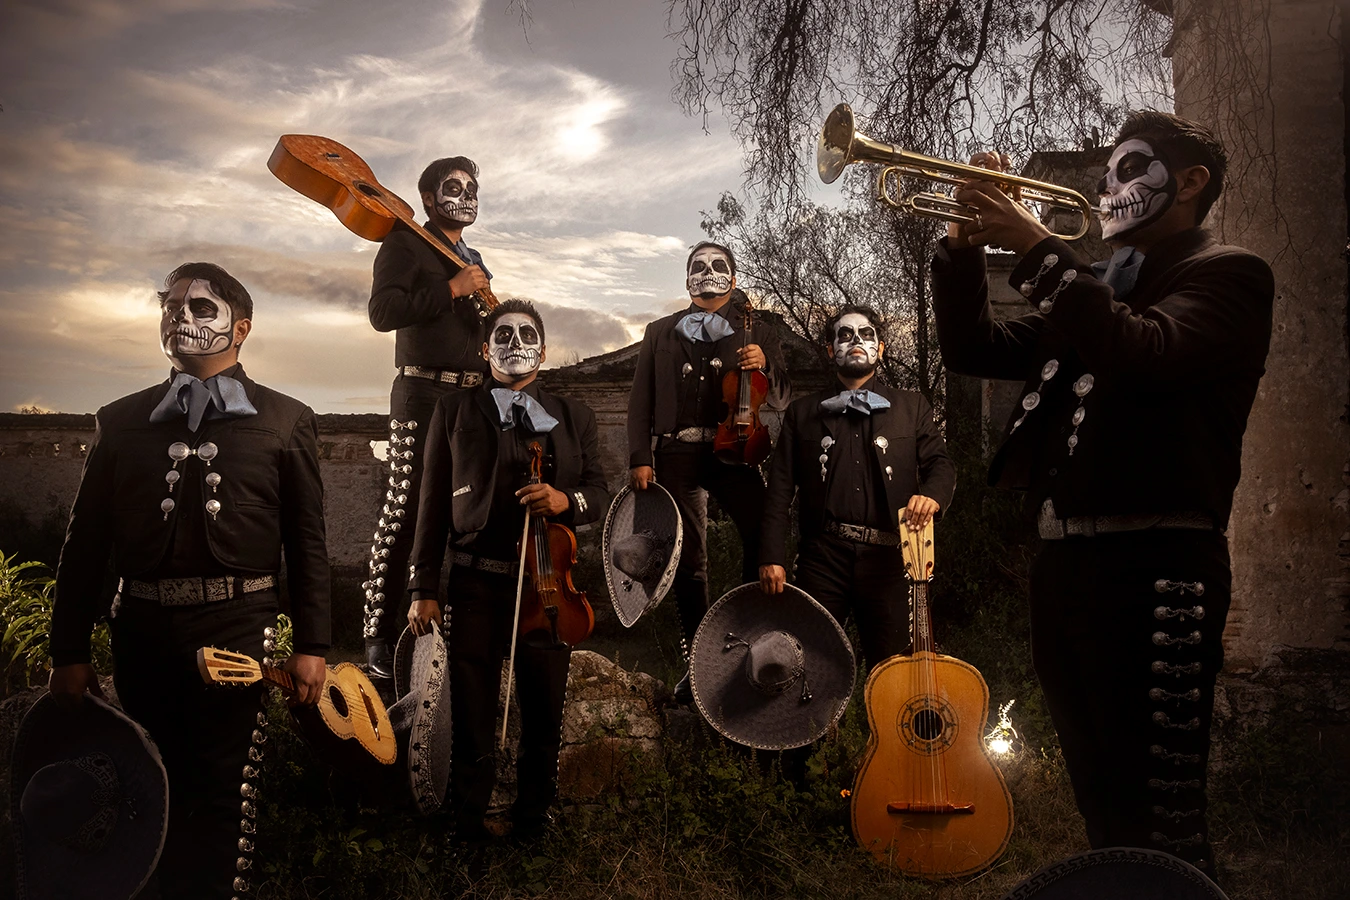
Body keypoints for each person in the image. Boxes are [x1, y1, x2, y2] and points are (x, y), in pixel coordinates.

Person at [930, 111, 1274, 879]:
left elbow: (1142, 351)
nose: (1108, 187)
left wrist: (1036, 247)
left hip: (1157, 566)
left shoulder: (1230, 273)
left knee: (1163, 814)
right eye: (1107, 173)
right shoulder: (1102, 285)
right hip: (1065, 568)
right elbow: (974, 347)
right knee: (1102, 807)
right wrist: (960, 248)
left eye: (1130, 169)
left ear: (1189, 183)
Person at [47, 262, 331, 899]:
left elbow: (307, 542)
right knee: (143, 783)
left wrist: (313, 645)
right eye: (171, 306)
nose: (182, 317)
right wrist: (67, 652)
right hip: (142, 628)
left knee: (220, 786)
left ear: (242, 327)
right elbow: (85, 545)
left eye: (203, 309)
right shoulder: (119, 422)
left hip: (238, 624)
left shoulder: (286, 420)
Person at [405, 299, 609, 842]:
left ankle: (533, 828)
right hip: (475, 580)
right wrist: (424, 585)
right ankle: (466, 829)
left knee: (543, 719)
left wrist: (567, 501)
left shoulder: (575, 416)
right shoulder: (454, 411)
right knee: (471, 716)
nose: (514, 342)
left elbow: (601, 490)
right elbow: (429, 504)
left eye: (526, 334)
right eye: (502, 334)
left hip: (547, 588)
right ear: (484, 347)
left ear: (543, 348)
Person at [627, 241, 788, 702]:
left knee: (762, 533)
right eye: (698, 266)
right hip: (675, 453)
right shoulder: (659, 331)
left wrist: (767, 365)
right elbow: (640, 400)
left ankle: (744, 638)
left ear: (733, 279)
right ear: (687, 279)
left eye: (719, 266)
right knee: (685, 558)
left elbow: (780, 394)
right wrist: (641, 455)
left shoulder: (758, 330)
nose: (708, 272)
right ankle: (699, 663)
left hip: (734, 449)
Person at [758, 304, 955, 672]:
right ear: (831, 350)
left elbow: (940, 465)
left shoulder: (912, 407)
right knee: (809, 663)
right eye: (844, 335)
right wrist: (772, 556)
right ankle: (816, 730)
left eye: (866, 335)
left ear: (881, 349)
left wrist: (931, 496)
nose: (856, 342)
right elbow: (779, 490)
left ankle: (881, 732)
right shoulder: (802, 413)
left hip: (890, 558)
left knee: (893, 669)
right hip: (822, 557)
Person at [362, 156, 493, 694]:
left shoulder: (474, 256)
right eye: (452, 187)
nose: (464, 195)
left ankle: (447, 628)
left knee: (464, 509)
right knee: (407, 503)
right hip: (420, 391)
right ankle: (376, 635)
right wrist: (453, 289)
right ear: (429, 199)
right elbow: (382, 311)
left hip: (471, 397)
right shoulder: (404, 243)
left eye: (471, 188)